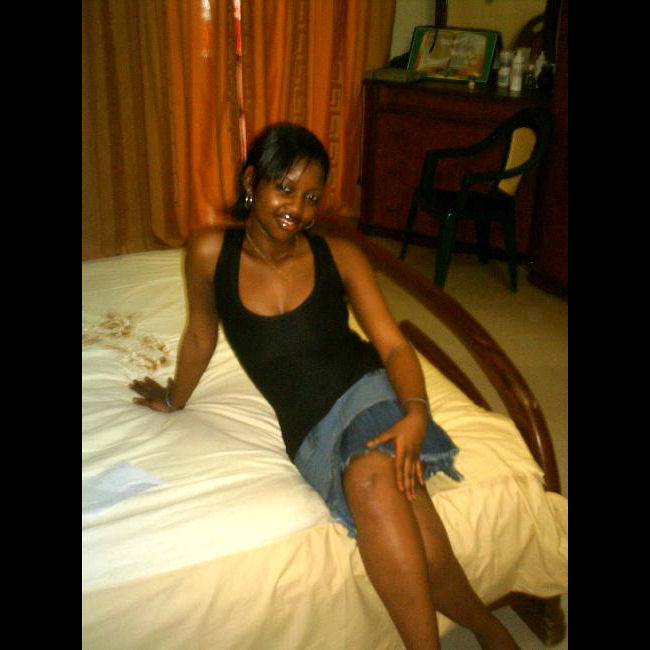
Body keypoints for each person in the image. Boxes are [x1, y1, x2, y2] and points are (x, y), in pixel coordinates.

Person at [130, 123, 519, 650]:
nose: (298, 209)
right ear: (252, 181)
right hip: (310, 433)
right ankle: (493, 631)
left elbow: (394, 346)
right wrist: (175, 397)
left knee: (371, 479)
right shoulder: (208, 252)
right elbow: (201, 335)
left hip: (369, 395)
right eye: (285, 188)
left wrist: (415, 412)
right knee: (421, 539)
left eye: (311, 197)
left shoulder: (340, 255)